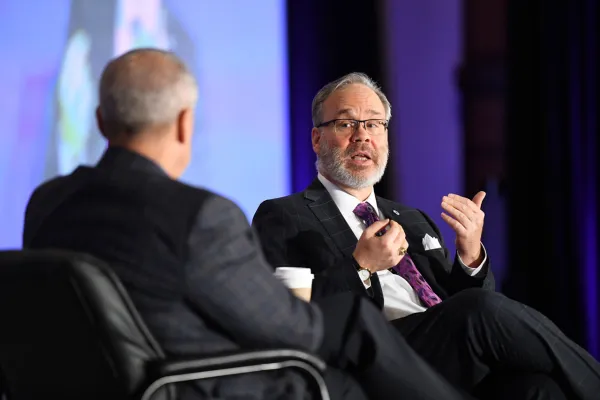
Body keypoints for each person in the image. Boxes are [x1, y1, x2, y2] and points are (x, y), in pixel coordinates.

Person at [22, 49, 476, 400]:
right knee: (354, 337)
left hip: (94, 387)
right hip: (198, 384)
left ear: (100, 121)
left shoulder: (45, 202)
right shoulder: (199, 215)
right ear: (185, 124)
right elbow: (286, 328)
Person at [251, 72, 600, 399]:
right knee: (478, 311)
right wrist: (361, 266)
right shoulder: (284, 215)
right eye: (346, 124)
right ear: (316, 138)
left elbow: (463, 312)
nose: (362, 136)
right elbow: (286, 319)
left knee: (539, 389)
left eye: (374, 124)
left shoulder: (413, 219)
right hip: (372, 359)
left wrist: (470, 255)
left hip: (441, 361)